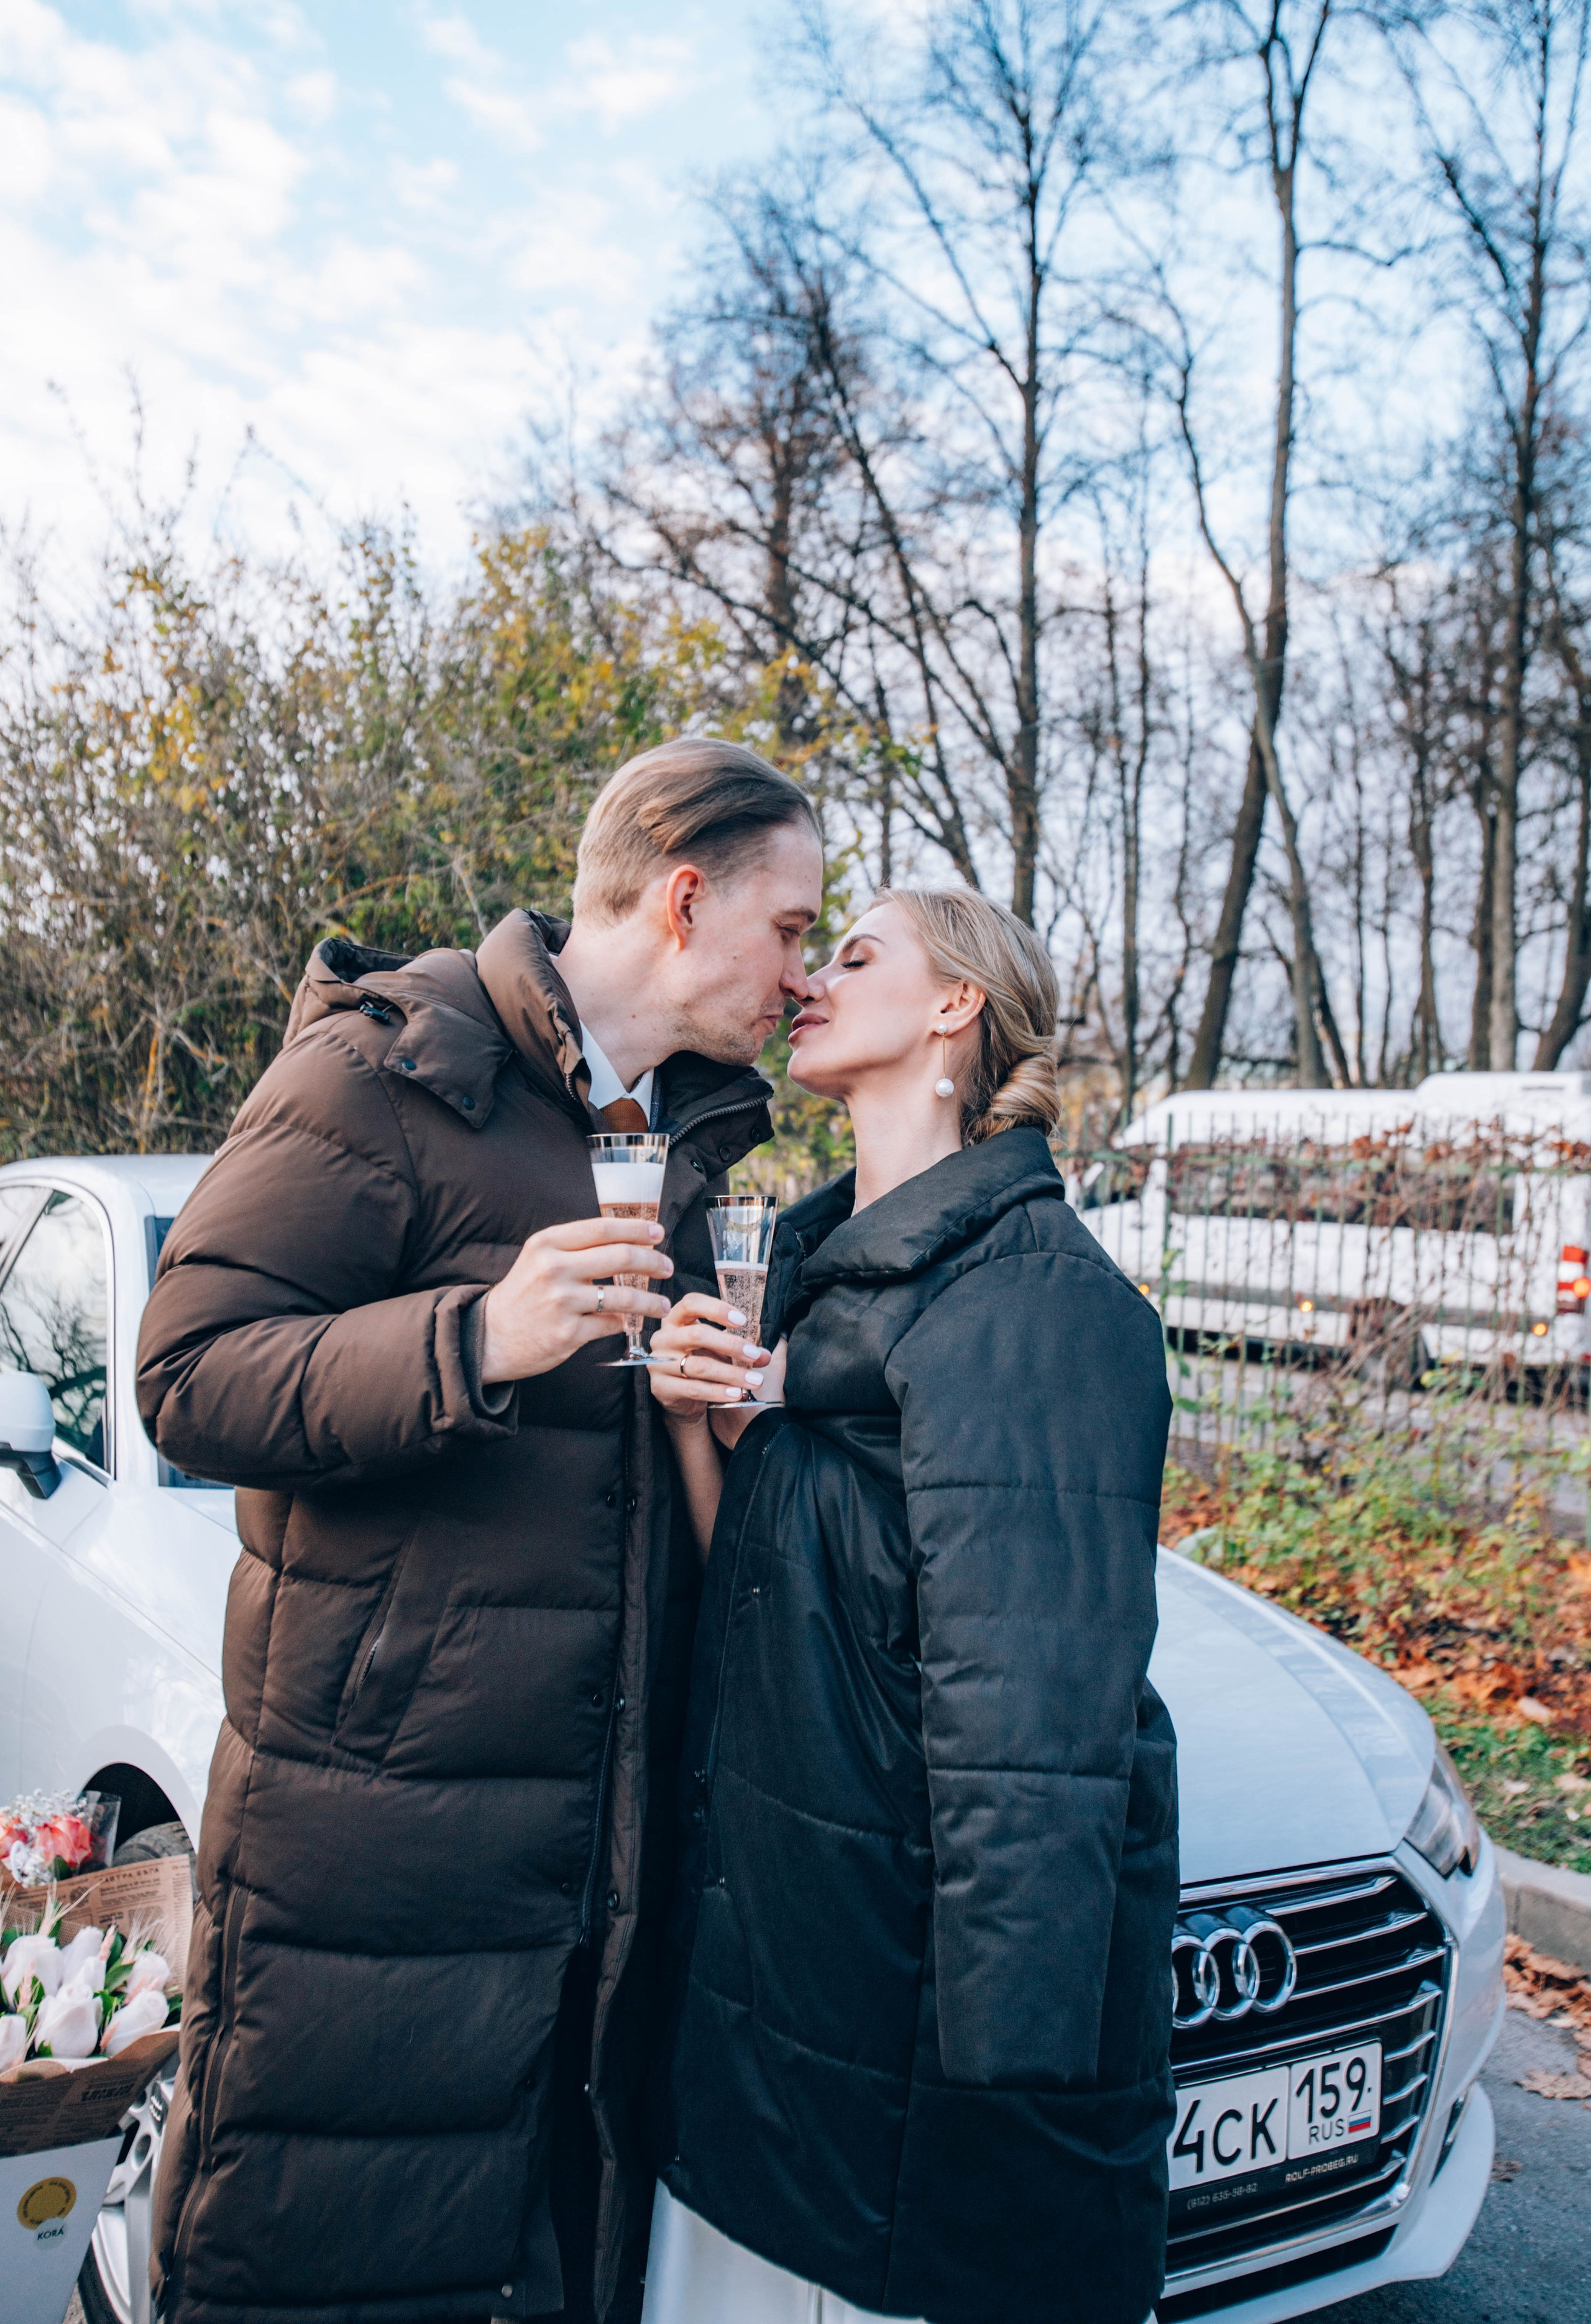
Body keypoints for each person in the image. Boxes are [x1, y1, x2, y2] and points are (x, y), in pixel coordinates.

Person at [134, 738, 819, 2324]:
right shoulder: (386, 1068)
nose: (798, 973)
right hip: (379, 1861)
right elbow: (185, 1375)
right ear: (686, 896)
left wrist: (714, 1422)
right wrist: (472, 1340)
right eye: (789, 929)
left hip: (589, 1870)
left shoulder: (683, 1142)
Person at [640, 886, 1177, 2324]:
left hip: (898, 2117)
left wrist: (1006, 2126)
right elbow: (765, 1620)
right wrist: (705, 1423)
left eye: (856, 952)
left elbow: (1034, 1748)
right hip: (773, 2020)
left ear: (954, 1009)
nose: (811, 975)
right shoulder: (822, 1296)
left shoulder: (1030, 1304)